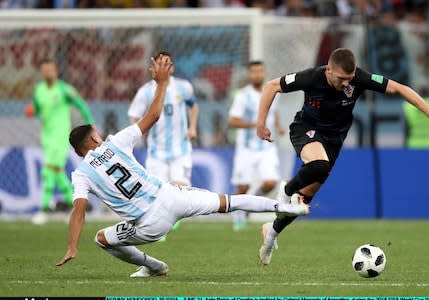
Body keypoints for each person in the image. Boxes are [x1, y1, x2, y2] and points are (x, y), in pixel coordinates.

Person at [56, 55, 309, 277]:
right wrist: (163, 83)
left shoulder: (81, 175)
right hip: (172, 196)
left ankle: (152, 266)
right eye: (96, 132)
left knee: (101, 239)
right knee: (229, 202)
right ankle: (283, 206)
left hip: (148, 225)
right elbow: (153, 116)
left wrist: (72, 246)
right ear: (92, 138)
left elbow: (79, 211)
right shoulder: (117, 142)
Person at [256, 48, 429, 265]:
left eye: (349, 79)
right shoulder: (311, 77)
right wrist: (261, 123)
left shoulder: (359, 79)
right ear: (329, 70)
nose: (346, 84)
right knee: (319, 166)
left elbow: (398, 87)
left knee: (304, 200)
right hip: (305, 129)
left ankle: (271, 234)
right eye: (341, 79)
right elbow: (271, 86)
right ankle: (286, 190)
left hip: (333, 141)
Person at [128, 51, 199, 239]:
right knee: (156, 194)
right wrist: (138, 132)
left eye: (168, 63)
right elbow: (134, 115)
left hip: (180, 149)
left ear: (172, 67)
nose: (164, 67)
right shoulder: (145, 91)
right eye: (160, 63)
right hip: (156, 150)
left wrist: (192, 127)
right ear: (154, 67)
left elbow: (193, 105)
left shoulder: (183, 87)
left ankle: (170, 221)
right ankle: (161, 228)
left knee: (181, 188)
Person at [25, 59, 94, 224]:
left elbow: (81, 105)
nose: (47, 73)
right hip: (46, 137)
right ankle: (76, 206)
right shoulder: (39, 90)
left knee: (49, 170)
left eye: (50, 69)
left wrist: (89, 124)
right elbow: (37, 107)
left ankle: (44, 209)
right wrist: (32, 110)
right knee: (56, 171)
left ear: (56, 71)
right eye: (44, 70)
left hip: (61, 135)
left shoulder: (64, 89)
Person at [228, 61, 285, 231]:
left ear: (264, 72)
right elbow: (232, 120)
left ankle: (249, 203)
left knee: (270, 182)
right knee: (242, 186)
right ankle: (238, 215)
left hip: (266, 147)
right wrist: (255, 125)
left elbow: (273, 111)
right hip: (246, 148)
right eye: (253, 72)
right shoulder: (242, 96)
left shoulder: (273, 91)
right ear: (249, 74)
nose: (257, 75)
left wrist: (279, 125)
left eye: (260, 71)